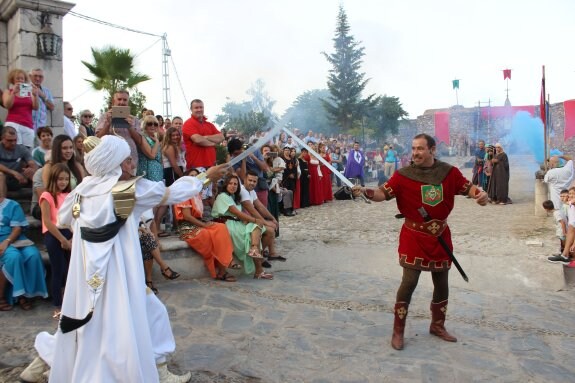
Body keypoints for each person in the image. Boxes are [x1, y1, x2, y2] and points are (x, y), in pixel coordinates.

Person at [26, 135, 227, 383]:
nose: (132, 164)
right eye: (127, 160)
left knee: (93, 321)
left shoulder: (80, 192)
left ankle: (47, 359)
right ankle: (152, 369)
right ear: (114, 164)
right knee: (144, 314)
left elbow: (64, 219)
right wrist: (206, 177)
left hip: (89, 275)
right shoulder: (127, 190)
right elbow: (171, 193)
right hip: (120, 274)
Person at [352, 133, 488, 350]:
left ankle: (437, 325)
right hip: (414, 236)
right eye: (413, 148)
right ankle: (398, 330)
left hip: (440, 235)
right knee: (408, 283)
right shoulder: (403, 175)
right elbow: (381, 194)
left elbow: (469, 189)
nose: (415, 153)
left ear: (432, 150)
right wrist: (366, 191)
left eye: (420, 149)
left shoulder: (448, 173)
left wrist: (481, 196)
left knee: (441, 284)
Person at [175, 168, 235, 281]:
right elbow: (187, 216)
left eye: (196, 176)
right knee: (209, 236)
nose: (194, 178)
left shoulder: (196, 193)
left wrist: (205, 224)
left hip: (198, 223)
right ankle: (223, 268)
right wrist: (204, 225)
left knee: (221, 227)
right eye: (191, 175)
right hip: (187, 228)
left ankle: (225, 264)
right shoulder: (184, 194)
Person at [212, 174, 272, 280]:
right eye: (230, 183)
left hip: (236, 223)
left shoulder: (234, 197)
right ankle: (259, 269)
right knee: (255, 226)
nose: (233, 186)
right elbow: (236, 213)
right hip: (227, 224)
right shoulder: (222, 196)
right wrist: (255, 219)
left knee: (257, 229)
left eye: (235, 184)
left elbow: (239, 215)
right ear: (225, 184)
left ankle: (254, 249)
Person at [0, 189, 48, 311]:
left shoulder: (12, 205)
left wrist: (7, 241)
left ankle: (28, 294)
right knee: (13, 257)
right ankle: (16, 295)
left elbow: (17, 228)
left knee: (33, 255)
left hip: (15, 239)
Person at [39, 163, 72, 319]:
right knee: (58, 269)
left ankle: (69, 301)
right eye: (60, 179)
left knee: (70, 270)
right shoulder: (47, 196)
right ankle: (57, 305)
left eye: (66, 179)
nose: (63, 182)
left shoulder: (69, 195)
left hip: (68, 233)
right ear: (54, 179)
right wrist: (62, 239)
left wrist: (71, 236)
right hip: (54, 235)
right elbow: (47, 221)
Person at [96, 89, 142, 172]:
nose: (122, 102)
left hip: (130, 161)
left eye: (125, 100)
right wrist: (107, 124)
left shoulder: (134, 119)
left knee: (130, 184)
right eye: (119, 99)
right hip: (110, 161)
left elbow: (139, 141)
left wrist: (130, 127)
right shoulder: (105, 117)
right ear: (114, 102)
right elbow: (98, 138)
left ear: (128, 102)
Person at [182, 99, 224, 169]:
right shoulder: (188, 123)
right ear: (191, 109)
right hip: (196, 167)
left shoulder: (209, 125)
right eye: (196, 108)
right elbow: (198, 140)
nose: (199, 109)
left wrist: (205, 137)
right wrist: (214, 143)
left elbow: (221, 137)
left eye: (201, 107)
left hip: (211, 165)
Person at [2, 68, 38, 148]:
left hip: (27, 124)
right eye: (18, 78)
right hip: (13, 123)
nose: (20, 80)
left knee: (27, 151)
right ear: (13, 80)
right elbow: (7, 105)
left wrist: (35, 96)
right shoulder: (8, 91)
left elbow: (35, 107)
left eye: (22, 78)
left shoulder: (28, 92)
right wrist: (13, 93)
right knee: (15, 149)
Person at [0, 126, 37, 192]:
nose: (13, 143)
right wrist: (13, 172)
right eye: (10, 140)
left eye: (15, 140)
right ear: (2, 139)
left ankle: (38, 200)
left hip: (17, 179)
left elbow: (32, 162)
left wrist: (32, 169)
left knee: (36, 173)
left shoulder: (21, 148)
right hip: (3, 177)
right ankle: (2, 201)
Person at [548, 187, 575, 266]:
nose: (571, 195)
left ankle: (566, 256)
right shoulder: (570, 205)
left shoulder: (571, 203)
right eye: (570, 194)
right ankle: (564, 255)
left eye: (573, 194)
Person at [29, 68, 54, 134]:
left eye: (40, 76)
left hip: (41, 129)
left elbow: (52, 107)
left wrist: (42, 95)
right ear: (30, 76)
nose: (38, 78)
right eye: (35, 76)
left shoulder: (46, 91)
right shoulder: (25, 89)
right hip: (28, 127)